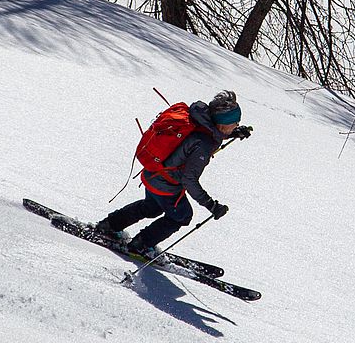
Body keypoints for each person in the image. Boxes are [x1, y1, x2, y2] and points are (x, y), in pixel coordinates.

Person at [97, 90, 250, 258]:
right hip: (165, 184)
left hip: (153, 172)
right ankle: (140, 244)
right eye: (234, 123)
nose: (236, 125)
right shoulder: (204, 144)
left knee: (152, 206)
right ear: (222, 123)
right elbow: (189, 180)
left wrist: (232, 134)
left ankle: (109, 225)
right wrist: (211, 205)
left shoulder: (198, 119)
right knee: (182, 215)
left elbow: (206, 133)